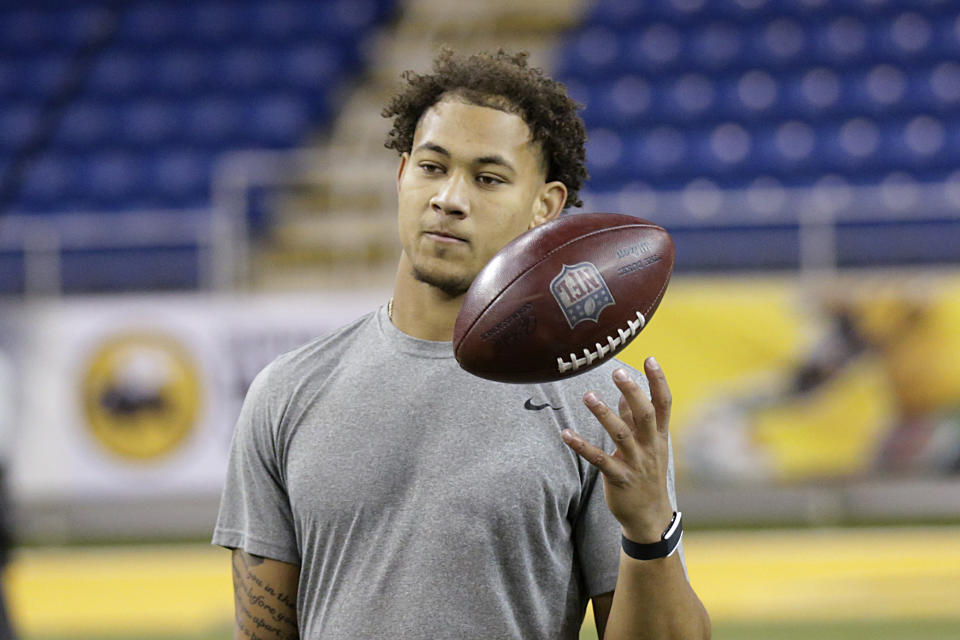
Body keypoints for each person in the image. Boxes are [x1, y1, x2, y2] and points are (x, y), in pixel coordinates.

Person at [214, 49, 710, 640]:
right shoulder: (287, 392)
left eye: (488, 178)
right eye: (431, 166)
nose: (449, 198)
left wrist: (651, 529)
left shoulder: (600, 406)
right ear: (401, 175)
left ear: (544, 207)